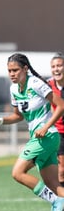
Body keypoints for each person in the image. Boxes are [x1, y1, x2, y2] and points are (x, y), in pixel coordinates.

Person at [0, 53, 64, 211]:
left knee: (17, 173)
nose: (12, 74)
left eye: (15, 70)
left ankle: (56, 202)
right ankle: (59, 199)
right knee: (52, 183)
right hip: (43, 137)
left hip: (47, 135)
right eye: (9, 71)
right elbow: (18, 116)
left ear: (25, 69)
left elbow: (60, 106)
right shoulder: (14, 89)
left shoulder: (35, 83)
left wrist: (45, 126)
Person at [48, 52, 64, 187]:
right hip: (59, 132)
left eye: (59, 65)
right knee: (61, 170)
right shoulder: (47, 86)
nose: (56, 69)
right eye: (53, 67)